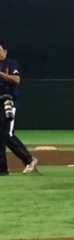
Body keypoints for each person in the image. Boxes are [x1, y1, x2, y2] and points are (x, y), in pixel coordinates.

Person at [0, 43, 38, 176]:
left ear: (5, 51)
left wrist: (1, 74)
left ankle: (28, 159)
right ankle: (2, 169)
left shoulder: (11, 64)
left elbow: (16, 79)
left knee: (7, 135)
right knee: (1, 136)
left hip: (8, 102)